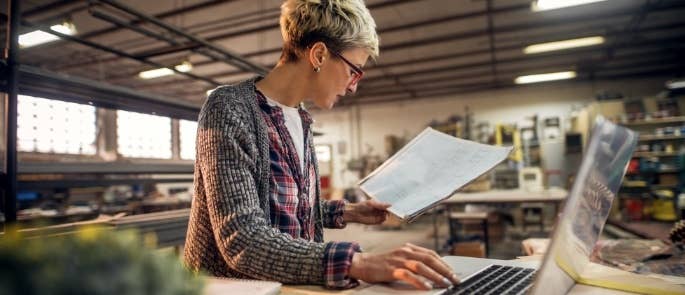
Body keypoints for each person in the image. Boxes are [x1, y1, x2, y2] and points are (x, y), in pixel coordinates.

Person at [183, 0, 460, 290]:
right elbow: (243, 239)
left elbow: (286, 205)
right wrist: (359, 263)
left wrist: (349, 212)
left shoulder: (301, 120)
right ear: (319, 55)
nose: (353, 85)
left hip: (290, 285)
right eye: (354, 70)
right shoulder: (230, 108)